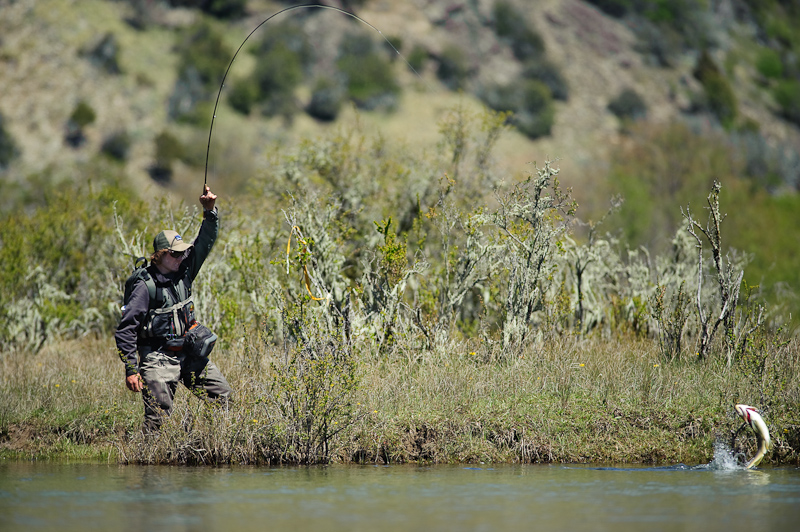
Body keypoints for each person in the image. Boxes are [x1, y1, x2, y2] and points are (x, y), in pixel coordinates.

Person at [115, 185, 232, 432]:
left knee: (223, 398)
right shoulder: (145, 287)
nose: (180, 258)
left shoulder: (185, 272)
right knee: (158, 418)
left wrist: (209, 211)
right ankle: (147, 461)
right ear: (159, 255)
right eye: (174, 254)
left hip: (189, 352)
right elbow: (126, 330)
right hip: (157, 358)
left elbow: (204, 243)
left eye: (182, 253)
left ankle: (213, 444)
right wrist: (131, 369)